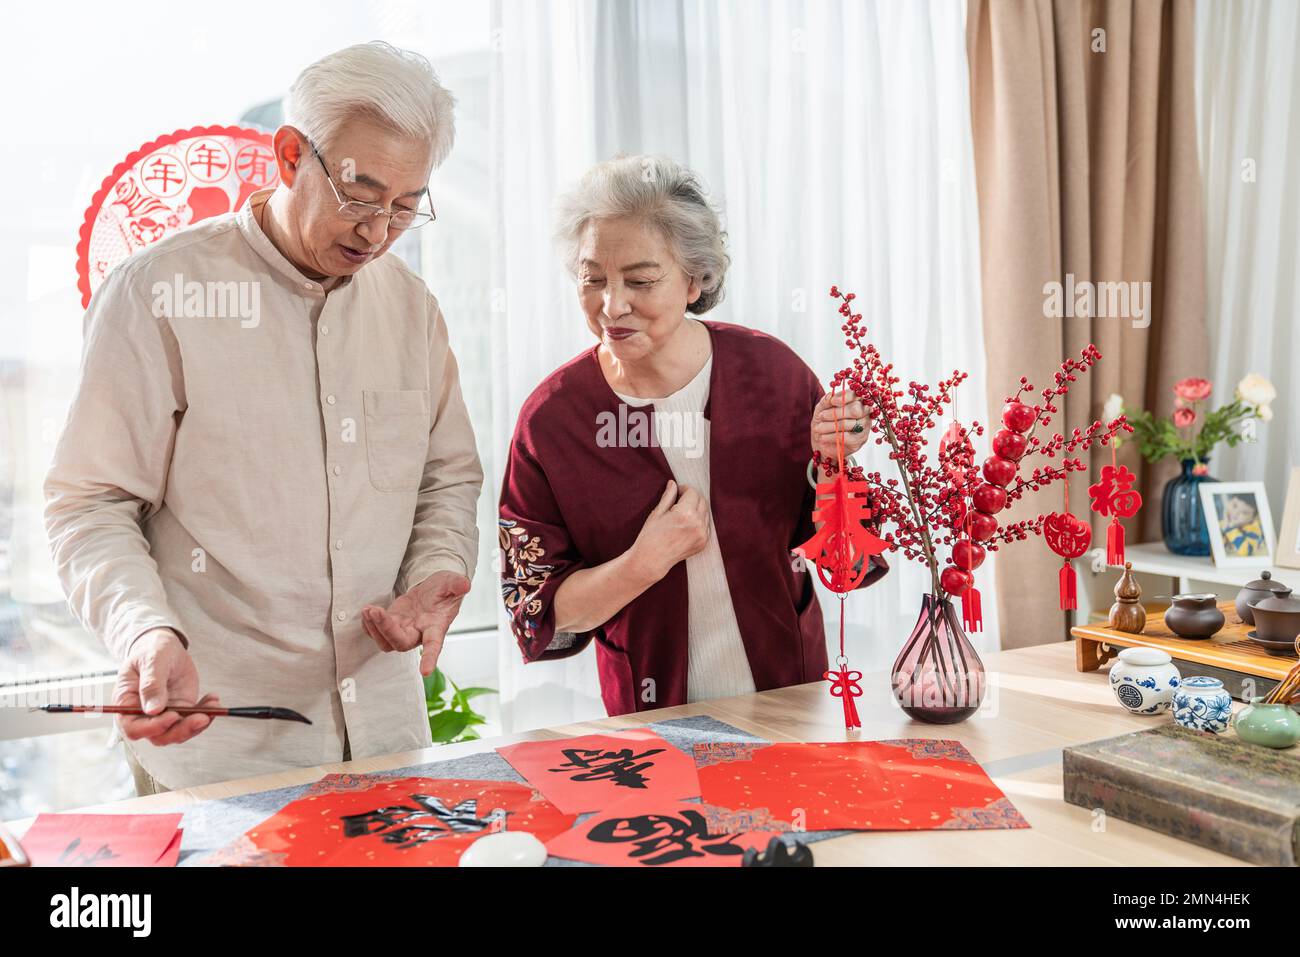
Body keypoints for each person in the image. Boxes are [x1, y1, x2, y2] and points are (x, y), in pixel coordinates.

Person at [44, 42, 483, 793]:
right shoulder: (158, 292)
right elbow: (90, 502)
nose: (378, 231)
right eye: (359, 192)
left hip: (385, 736)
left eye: (406, 207)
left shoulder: (412, 312)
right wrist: (147, 629)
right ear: (288, 154)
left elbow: (446, 478)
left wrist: (439, 568)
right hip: (222, 744)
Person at [498, 154, 888, 717]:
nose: (612, 305)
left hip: (791, 697)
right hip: (651, 717)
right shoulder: (552, 423)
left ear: (695, 279)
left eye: (640, 280)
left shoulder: (773, 377)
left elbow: (842, 564)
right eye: (593, 279)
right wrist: (645, 562)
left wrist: (835, 464)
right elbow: (538, 610)